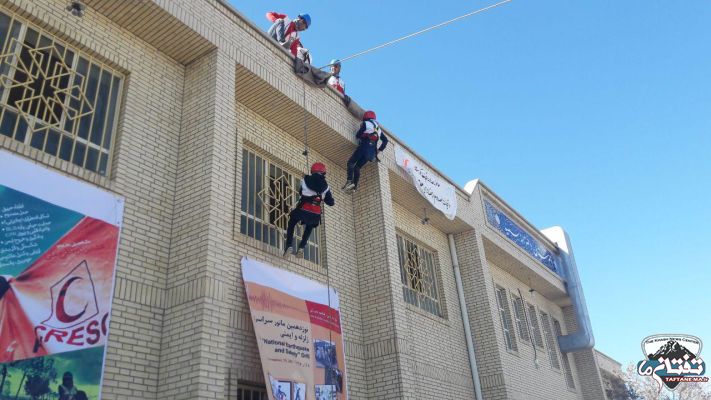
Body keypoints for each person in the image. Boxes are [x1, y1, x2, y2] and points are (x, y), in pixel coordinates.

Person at [284, 162, 334, 257]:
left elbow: (301, 192)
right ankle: (302, 247)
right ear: (323, 173)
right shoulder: (326, 187)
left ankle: (289, 245)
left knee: (292, 223)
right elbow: (331, 203)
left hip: (303, 209)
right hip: (315, 213)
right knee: (309, 227)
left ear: (313, 171)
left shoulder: (305, 180)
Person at [342, 111, 389, 193]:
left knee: (350, 162)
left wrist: (361, 131)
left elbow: (358, 135)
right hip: (371, 154)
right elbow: (385, 141)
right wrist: (379, 150)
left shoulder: (366, 124)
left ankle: (349, 181)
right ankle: (354, 187)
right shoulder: (378, 129)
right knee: (357, 167)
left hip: (363, 148)